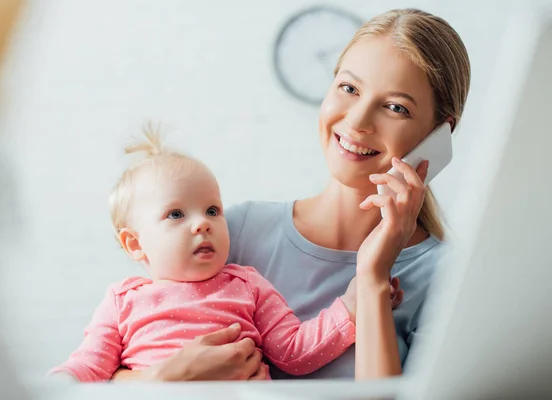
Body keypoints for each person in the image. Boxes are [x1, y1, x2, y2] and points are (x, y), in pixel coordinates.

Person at [112, 7, 471, 381]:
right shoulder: (234, 232)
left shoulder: (447, 278)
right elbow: (111, 369)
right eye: (349, 88)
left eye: (395, 107)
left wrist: (373, 277)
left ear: (439, 136)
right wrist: (164, 378)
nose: (358, 121)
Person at [49, 130, 403, 382]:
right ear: (135, 244)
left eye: (212, 210)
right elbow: (89, 368)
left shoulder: (246, 283)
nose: (202, 224)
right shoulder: (122, 301)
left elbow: (294, 353)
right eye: (176, 214)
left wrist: (353, 305)